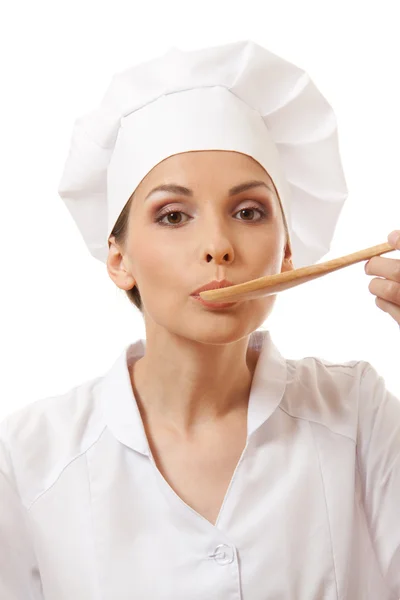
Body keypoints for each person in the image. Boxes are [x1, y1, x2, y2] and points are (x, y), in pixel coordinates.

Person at [0, 41, 399, 600]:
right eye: (173, 215)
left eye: (248, 212)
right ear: (119, 259)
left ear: (288, 252)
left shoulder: (359, 415)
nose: (217, 245)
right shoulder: (30, 457)